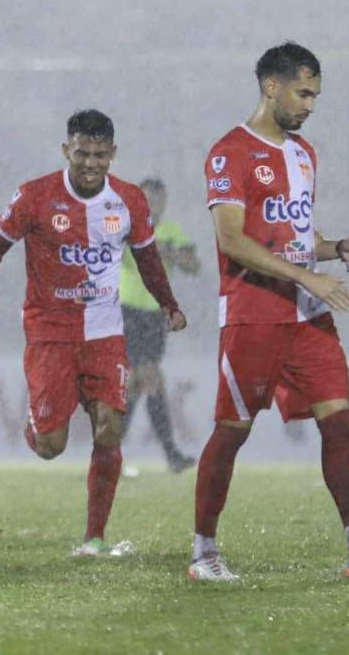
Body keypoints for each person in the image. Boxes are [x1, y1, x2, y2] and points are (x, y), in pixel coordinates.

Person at [190, 42, 349, 581]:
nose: (311, 104)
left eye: (315, 94)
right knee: (232, 431)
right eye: (304, 92)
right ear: (272, 87)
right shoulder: (229, 153)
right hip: (254, 314)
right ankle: (204, 553)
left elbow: (293, 237)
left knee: (339, 422)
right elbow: (233, 242)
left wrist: (334, 248)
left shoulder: (304, 153)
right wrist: (306, 274)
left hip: (307, 317)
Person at [0, 110, 186, 556]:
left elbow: (148, 259)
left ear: (113, 154)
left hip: (105, 332)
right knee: (51, 446)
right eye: (81, 153)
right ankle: (38, 422)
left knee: (109, 428)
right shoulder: (34, 196)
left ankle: (94, 538)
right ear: (67, 150)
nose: (89, 164)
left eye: (99, 155)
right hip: (50, 333)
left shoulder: (129, 200)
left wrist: (168, 302)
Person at [118, 177, 198, 474]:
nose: (154, 205)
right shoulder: (125, 228)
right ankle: (171, 455)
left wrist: (173, 253)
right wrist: (162, 251)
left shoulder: (172, 232)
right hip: (127, 312)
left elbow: (193, 265)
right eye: (148, 199)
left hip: (155, 315)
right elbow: (129, 257)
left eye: (159, 199)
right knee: (147, 378)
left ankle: (108, 456)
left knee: (138, 385)